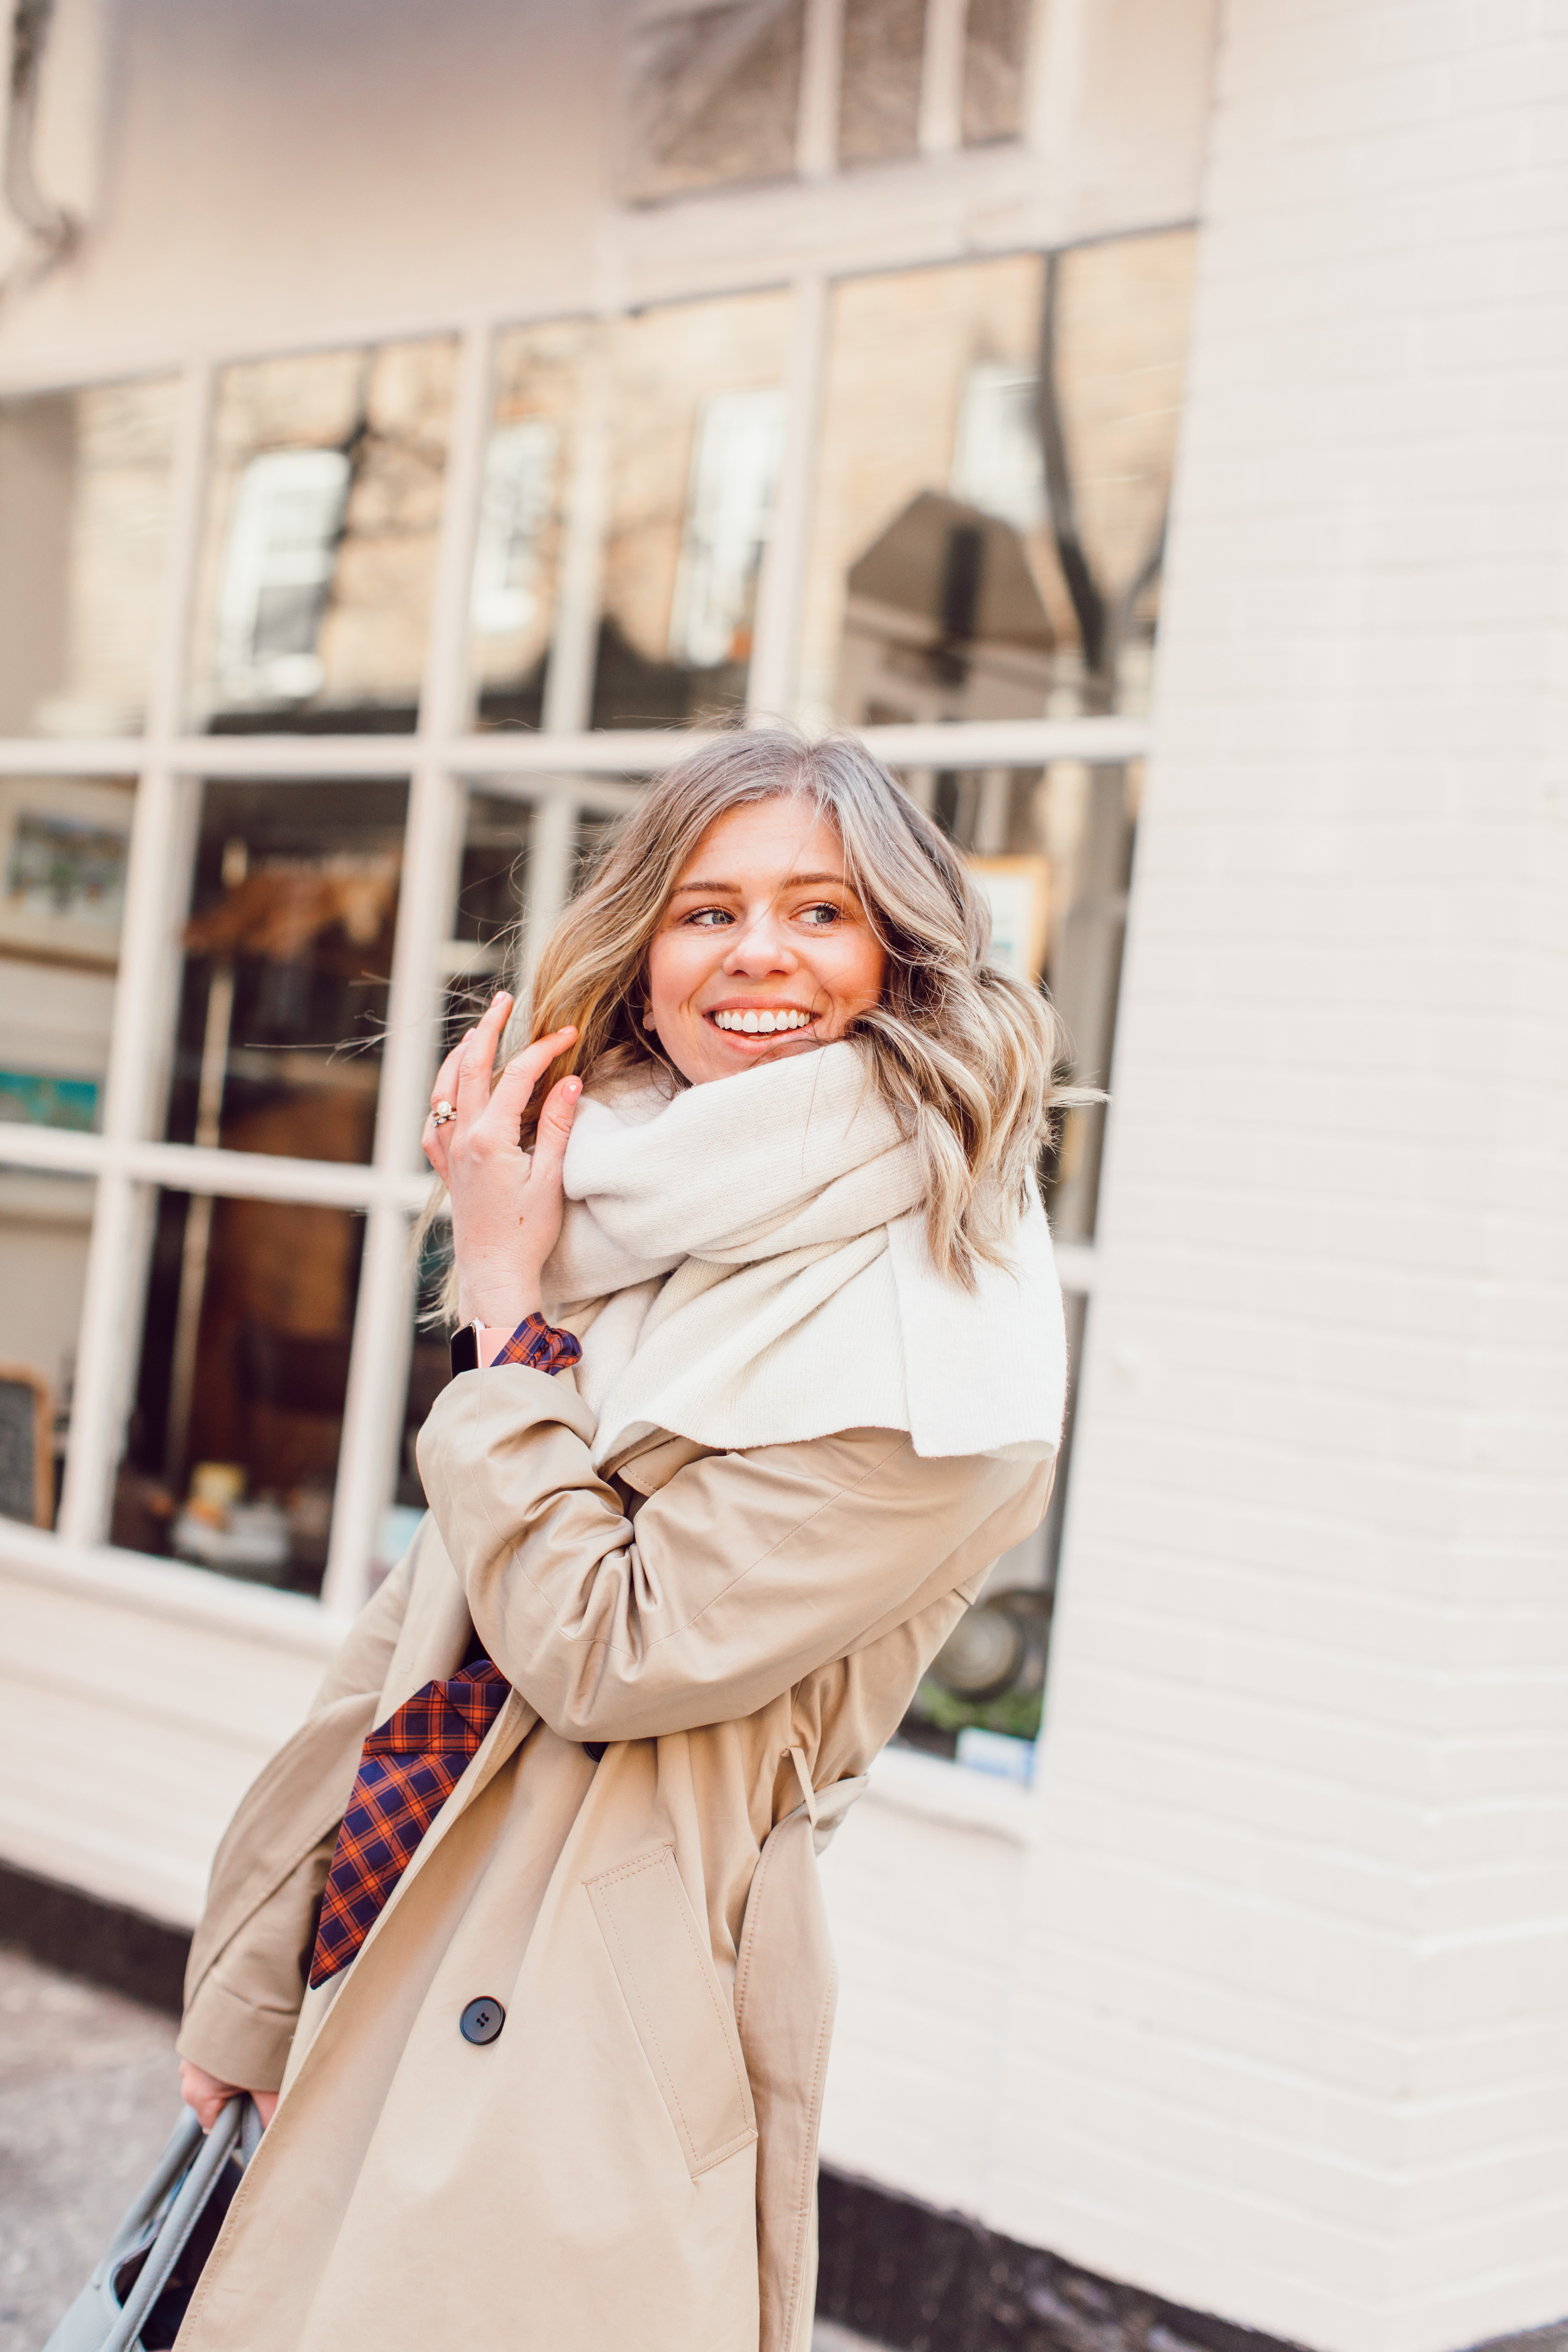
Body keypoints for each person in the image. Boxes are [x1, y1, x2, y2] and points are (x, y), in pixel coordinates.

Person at [170, 729, 1074, 2352]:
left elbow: (605, 1649)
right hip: (393, 1917)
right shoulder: (632, 1213)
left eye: (821, 910)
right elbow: (420, 1632)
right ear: (645, 953)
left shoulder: (948, 1326)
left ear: (904, 958)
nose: (759, 958)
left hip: (602, 2002)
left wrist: (503, 1301)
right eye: (706, 911)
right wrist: (252, 1972)